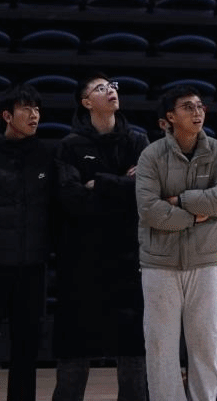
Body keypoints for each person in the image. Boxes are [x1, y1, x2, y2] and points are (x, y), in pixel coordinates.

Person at [136, 85, 217, 401]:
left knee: (206, 343)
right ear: (169, 117)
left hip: (205, 260)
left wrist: (180, 200)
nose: (197, 112)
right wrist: (195, 217)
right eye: (188, 107)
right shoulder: (151, 155)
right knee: (160, 346)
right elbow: (150, 210)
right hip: (159, 262)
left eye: (200, 106)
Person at [52, 73, 149, 401]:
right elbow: (71, 198)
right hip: (82, 258)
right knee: (74, 347)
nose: (111, 91)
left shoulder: (138, 141)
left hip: (129, 256)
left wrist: (100, 183)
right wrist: (122, 185)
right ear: (86, 102)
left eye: (112, 86)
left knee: (133, 348)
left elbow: (145, 193)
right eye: (100, 88)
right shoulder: (69, 145)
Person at [0, 84, 54, 401]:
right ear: (7, 116)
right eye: (26, 108)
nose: (34, 115)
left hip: (31, 266)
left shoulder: (45, 154)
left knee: (27, 348)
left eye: (37, 109)